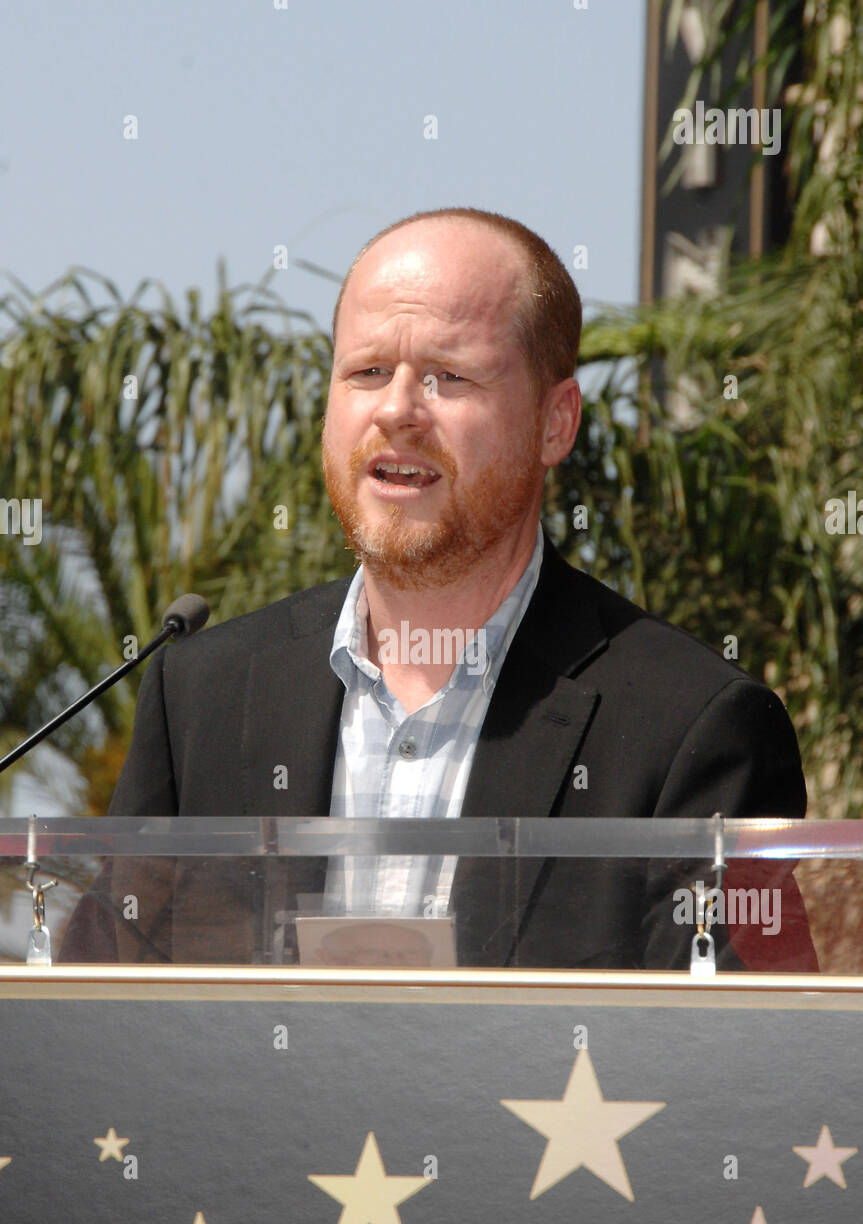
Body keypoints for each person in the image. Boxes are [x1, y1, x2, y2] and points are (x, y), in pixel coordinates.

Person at [61, 208, 816, 971]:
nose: (395, 410)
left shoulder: (692, 728)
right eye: (365, 372)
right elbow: (103, 1024)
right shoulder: (204, 696)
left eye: (448, 376)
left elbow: (735, 1066)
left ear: (555, 424)